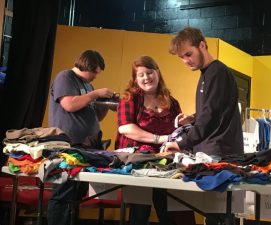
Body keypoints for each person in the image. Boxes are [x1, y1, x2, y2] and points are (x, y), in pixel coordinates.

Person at [164, 27, 244, 224]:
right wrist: (192, 118)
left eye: (189, 54)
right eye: (182, 57)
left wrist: (181, 143)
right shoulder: (207, 73)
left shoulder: (216, 72)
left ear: (202, 45)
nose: (186, 61)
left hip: (220, 153)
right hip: (214, 151)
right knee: (214, 214)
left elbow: (211, 116)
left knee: (219, 215)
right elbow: (213, 111)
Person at [115, 55, 195, 225]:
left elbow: (179, 132)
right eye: (141, 75)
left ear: (157, 73)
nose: (146, 78)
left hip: (167, 162)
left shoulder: (172, 102)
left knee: (169, 210)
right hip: (138, 162)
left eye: (149, 72)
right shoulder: (129, 98)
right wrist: (160, 138)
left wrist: (184, 124)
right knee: (139, 212)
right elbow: (125, 128)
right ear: (135, 79)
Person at [47, 49, 115, 225]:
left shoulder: (88, 86)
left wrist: (106, 104)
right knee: (62, 193)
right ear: (88, 65)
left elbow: (94, 117)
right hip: (68, 145)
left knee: (77, 193)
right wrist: (95, 94)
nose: (95, 77)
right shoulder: (65, 77)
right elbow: (69, 105)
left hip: (86, 146)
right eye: (95, 72)